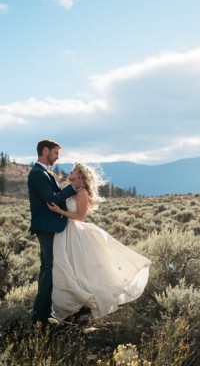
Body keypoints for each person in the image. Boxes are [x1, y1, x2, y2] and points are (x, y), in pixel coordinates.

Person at [47, 163, 151, 321]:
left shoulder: (82, 192)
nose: (70, 171)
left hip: (74, 231)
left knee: (78, 269)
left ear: (80, 175)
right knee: (67, 267)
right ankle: (68, 306)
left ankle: (78, 306)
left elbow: (80, 217)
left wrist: (59, 211)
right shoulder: (73, 189)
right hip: (64, 232)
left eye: (74, 170)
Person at [28, 139, 82, 325]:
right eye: (56, 153)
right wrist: (73, 188)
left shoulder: (44, 173)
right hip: (46, 227)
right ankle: (40, 315)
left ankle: (45, 312)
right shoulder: (37, 174)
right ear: (45, 151)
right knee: (47, 269)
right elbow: (52, 200)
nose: (58, 157)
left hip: (51, 226)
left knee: (50, 268)